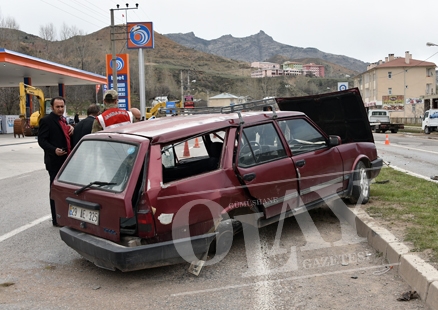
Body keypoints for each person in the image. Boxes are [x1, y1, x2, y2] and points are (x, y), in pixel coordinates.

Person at [37, 96, 74, 227]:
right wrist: (54, 150)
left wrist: (71, 128)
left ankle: (66, 216)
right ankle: (56, 219)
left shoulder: (63, 120)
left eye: (62, 107)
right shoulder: (46, 121)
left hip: (67, 161)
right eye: (57, 107)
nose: (60, 109)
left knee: (67, 191)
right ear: (52, 107)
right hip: (54, 162)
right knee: (55, 191)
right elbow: (42, 141)